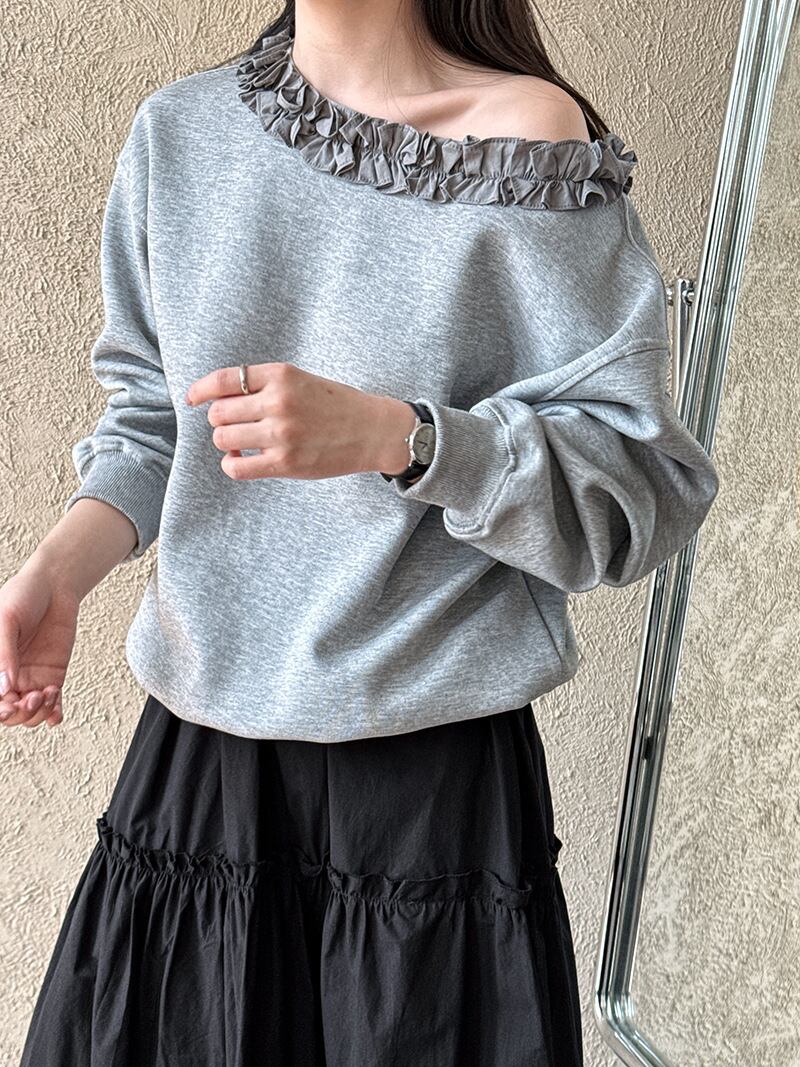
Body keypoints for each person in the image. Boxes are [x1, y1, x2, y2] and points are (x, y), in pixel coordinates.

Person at [4, 1, 720, 1064]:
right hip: (200, 764)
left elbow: (638, 493)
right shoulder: (180, 133)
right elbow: (152, 420)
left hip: (432, 795)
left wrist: (406, 438)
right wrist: (61, 568)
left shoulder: (529, 145)